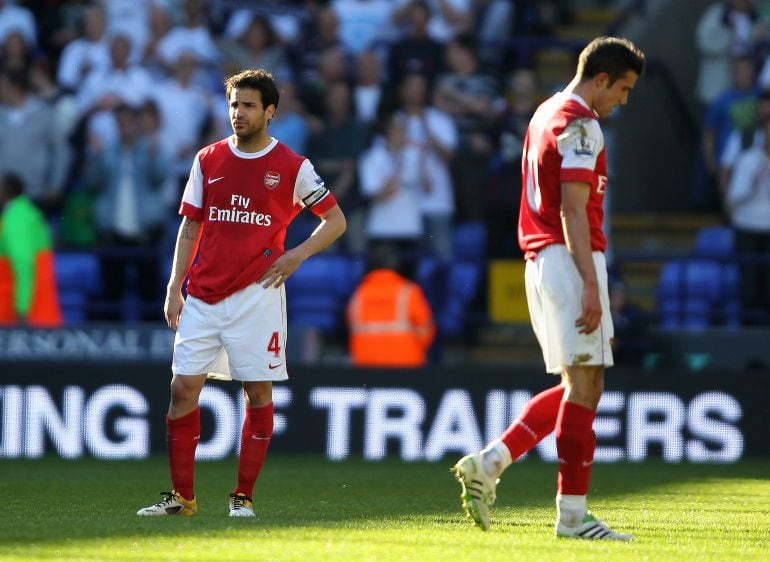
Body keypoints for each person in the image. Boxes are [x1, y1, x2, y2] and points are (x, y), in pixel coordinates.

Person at [451, 36, 645, 541]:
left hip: (540, 259)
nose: (622, 100)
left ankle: (491, 463)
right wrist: (589, 282)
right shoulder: (582, 124)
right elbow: (572, 209)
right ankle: (573, 518)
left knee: (574, 384)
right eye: (622, 89)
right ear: (600, 78)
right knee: (587, 387)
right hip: (567, 258)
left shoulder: (543, 112)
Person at [137, 69, 346, 517]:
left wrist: (296, 256)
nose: (239, 113)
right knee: (182, 388)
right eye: (234, 104)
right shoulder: (208, 159)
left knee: (257, 392)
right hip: (203, 293)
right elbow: (191, 225)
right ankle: (182, 498)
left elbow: (336, 221)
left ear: (270, 112)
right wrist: (175, 286)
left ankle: (242, 496)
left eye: (249, 105)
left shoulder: (292, 165)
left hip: (257, 294)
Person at [346, 243, 435, 367]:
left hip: (366, 365)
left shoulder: (359, 294)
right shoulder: (409, 292)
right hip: (406, 365)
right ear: (396, 264)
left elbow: (351, 327)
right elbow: (426, 331)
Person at [0, 172, 62, 327]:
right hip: (34, 315)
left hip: (24, 318)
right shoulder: (26, 213)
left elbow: (24, 265)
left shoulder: (17, 218)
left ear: (6, 191)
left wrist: (22, 310)